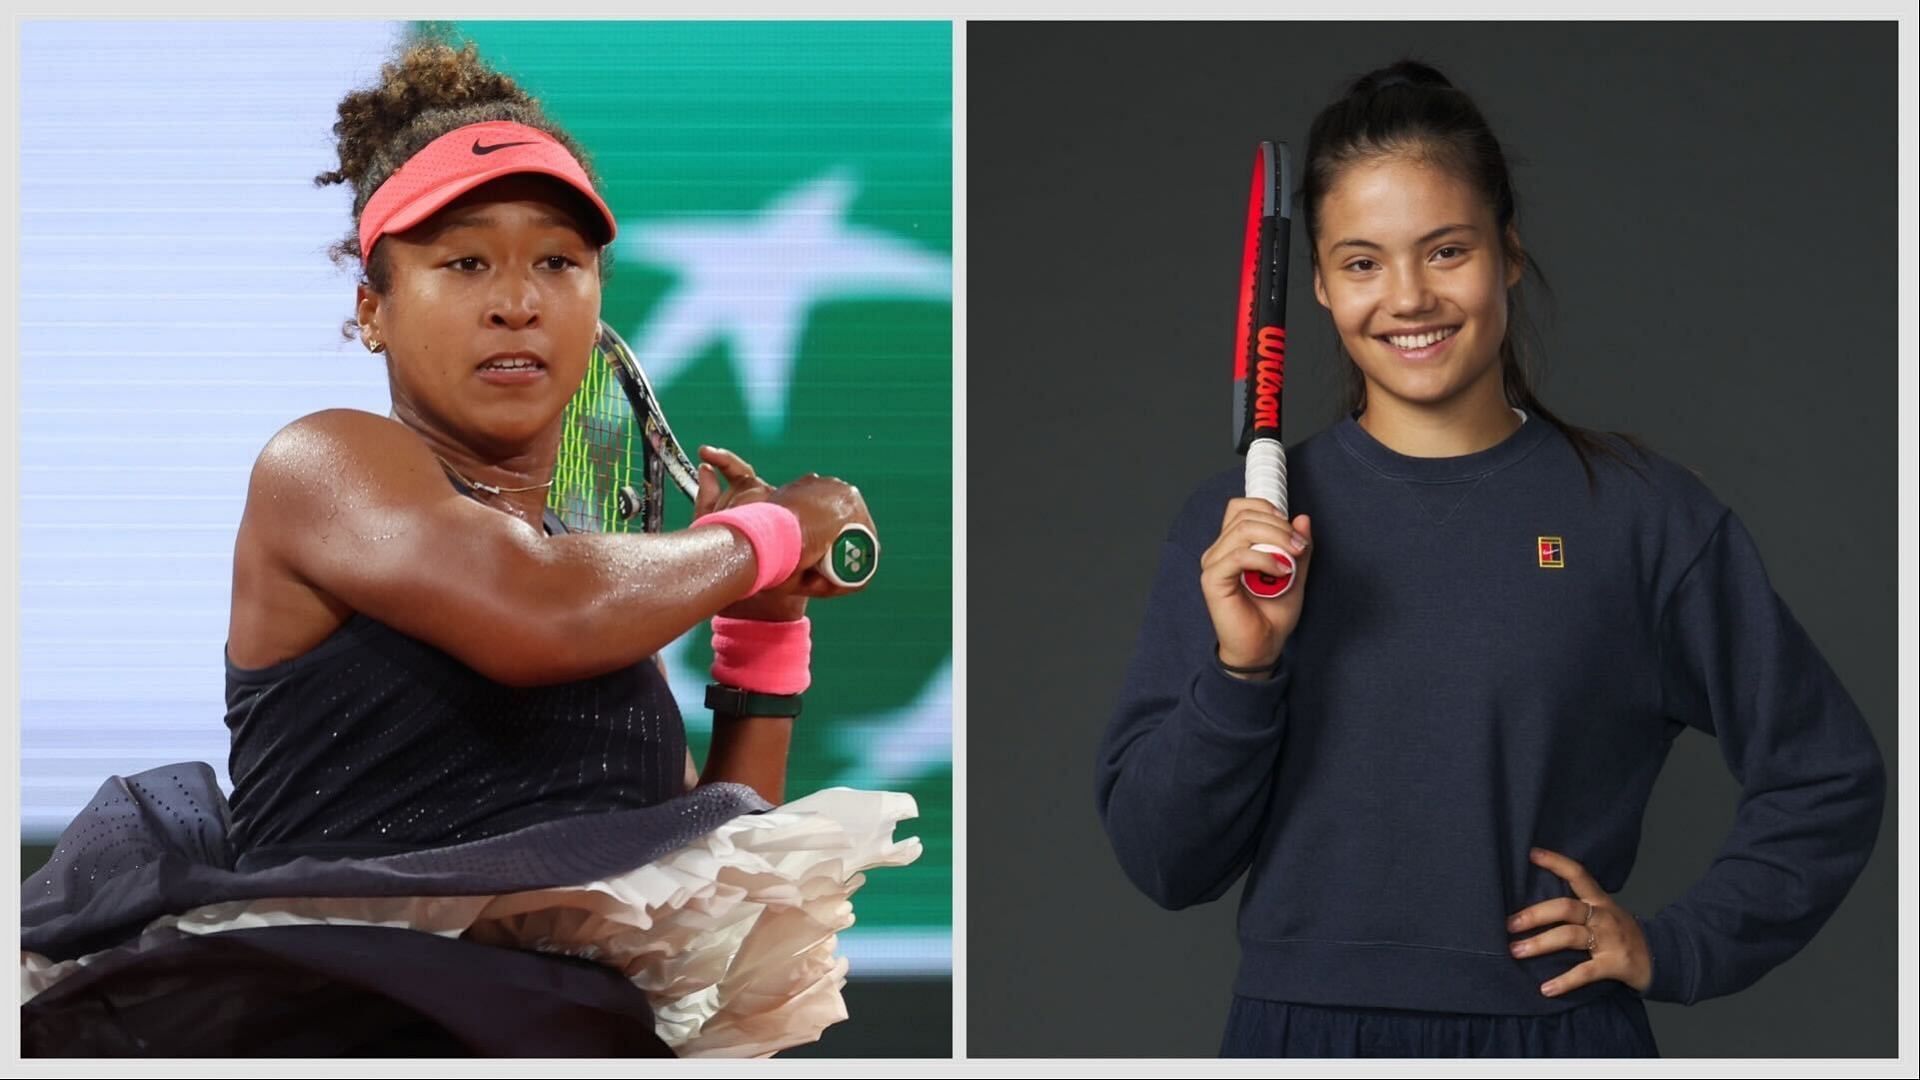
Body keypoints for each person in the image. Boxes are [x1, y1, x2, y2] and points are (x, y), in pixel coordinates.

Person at [21, 38, 918, 1057]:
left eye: (557, 262)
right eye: (463, 262)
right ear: (372, 310)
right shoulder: (323, 466)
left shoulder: (600, 593)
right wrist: (769, 532)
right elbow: (539, 613)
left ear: (594, 301)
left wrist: (764, 636)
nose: (517, 300)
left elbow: (708, 861)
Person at [1093, 60, 1885, 1059]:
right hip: (1298, 1040)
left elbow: (1827, 774)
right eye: (1363, 261)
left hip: (1554, 1036)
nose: (1410, 296)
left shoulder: (1641, 517)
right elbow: (1164, 862)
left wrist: (1676, 946)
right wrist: (1243, 670)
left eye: (1447, 249)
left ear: (1508, 254)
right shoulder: (1240, 527)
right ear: (1325, 289)